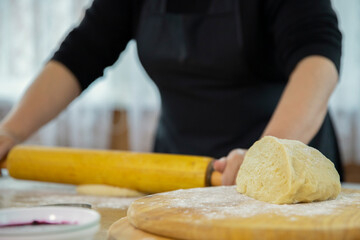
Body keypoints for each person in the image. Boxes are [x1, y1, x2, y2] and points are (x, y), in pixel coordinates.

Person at [0, 0, 343, 184]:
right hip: (181, 168)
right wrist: (9, 132)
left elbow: (317, 60)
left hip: (281, 168)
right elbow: (80, 55)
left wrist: (266, 158)